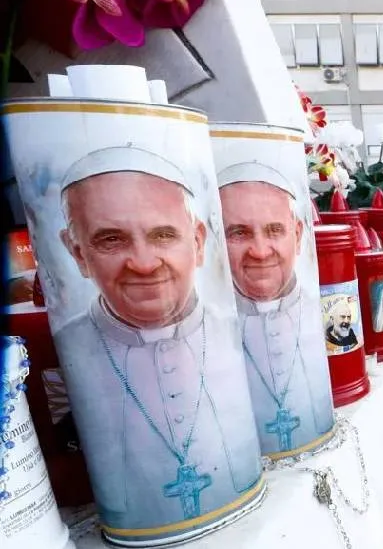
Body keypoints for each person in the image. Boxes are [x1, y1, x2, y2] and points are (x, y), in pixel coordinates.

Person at [54, 146, 262, 531]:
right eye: (112, 240)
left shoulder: (235, 331)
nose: (144, 263)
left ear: (198, 241)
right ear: (78, 252)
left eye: (164, 235)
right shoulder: (63, 350)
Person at [218, 164, 335, 457]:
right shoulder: (210, 329)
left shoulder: (323, 309)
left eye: (274, 231)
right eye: (239, 233)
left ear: (297, 235)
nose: (259, 250)